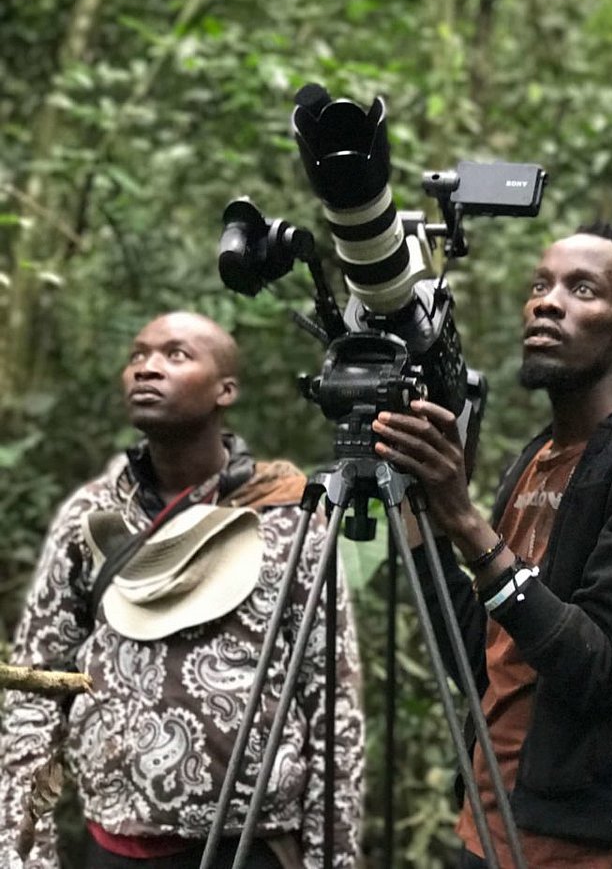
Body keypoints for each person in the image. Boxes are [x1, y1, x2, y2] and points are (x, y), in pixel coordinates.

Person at [371, 222, 612, 868]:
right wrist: (422, 514)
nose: (546, 301)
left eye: (581, 289)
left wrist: (467, 521)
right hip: (488, 816)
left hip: (586, 839)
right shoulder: (536, 459)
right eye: (540, 285)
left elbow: (604, 667)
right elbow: (481, 654)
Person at [0, 312, 363, 869]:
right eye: (138, 355)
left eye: (176, 355)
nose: (147, 368)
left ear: (226, 390)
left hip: (247, 849)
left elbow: (331, 706)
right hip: (110, 846)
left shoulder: (288, 521)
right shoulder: (89, 518)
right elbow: (35, 688)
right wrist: (24, 851)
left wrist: (330, 859)